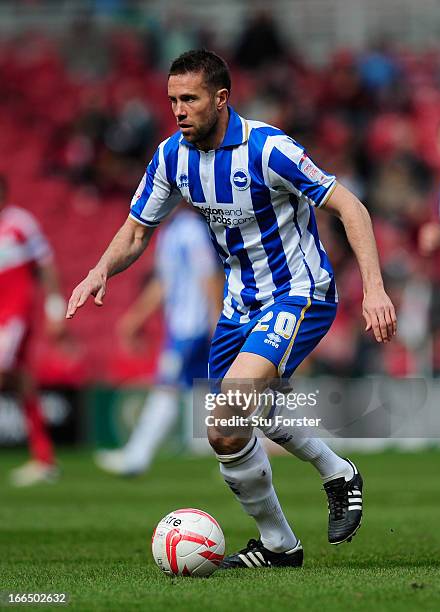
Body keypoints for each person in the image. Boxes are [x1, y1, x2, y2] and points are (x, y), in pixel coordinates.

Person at [67, 50, 397, 568]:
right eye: (173, 99)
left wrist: (374, 288)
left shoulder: (269, 148)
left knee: (233, 402)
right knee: (228, 428)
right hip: (240, 307)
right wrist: (100, 269)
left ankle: (319, 493)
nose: (178, 110)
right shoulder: (172, 157)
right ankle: (287, 536)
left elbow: (349, 205)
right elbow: (136, 230)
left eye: (190, 99)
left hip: (299, 292)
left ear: (221, 99)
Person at [95, 204, 223, 475]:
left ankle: (136, 458)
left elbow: (209, 275)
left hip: (192, 327)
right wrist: (136, 318)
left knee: (167, 386)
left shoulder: (191, 230)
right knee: (213, 391)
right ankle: (241, 458)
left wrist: (216, 320)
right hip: (182, 326)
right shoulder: (171, 232)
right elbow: (164, 283)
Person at [0, 175, 65, 486]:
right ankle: (43, 456)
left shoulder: (19, 223)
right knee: (23, 380)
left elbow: (46, 264)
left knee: (7, 374)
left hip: (15, 318)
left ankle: (43, 457)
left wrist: (54, 307)